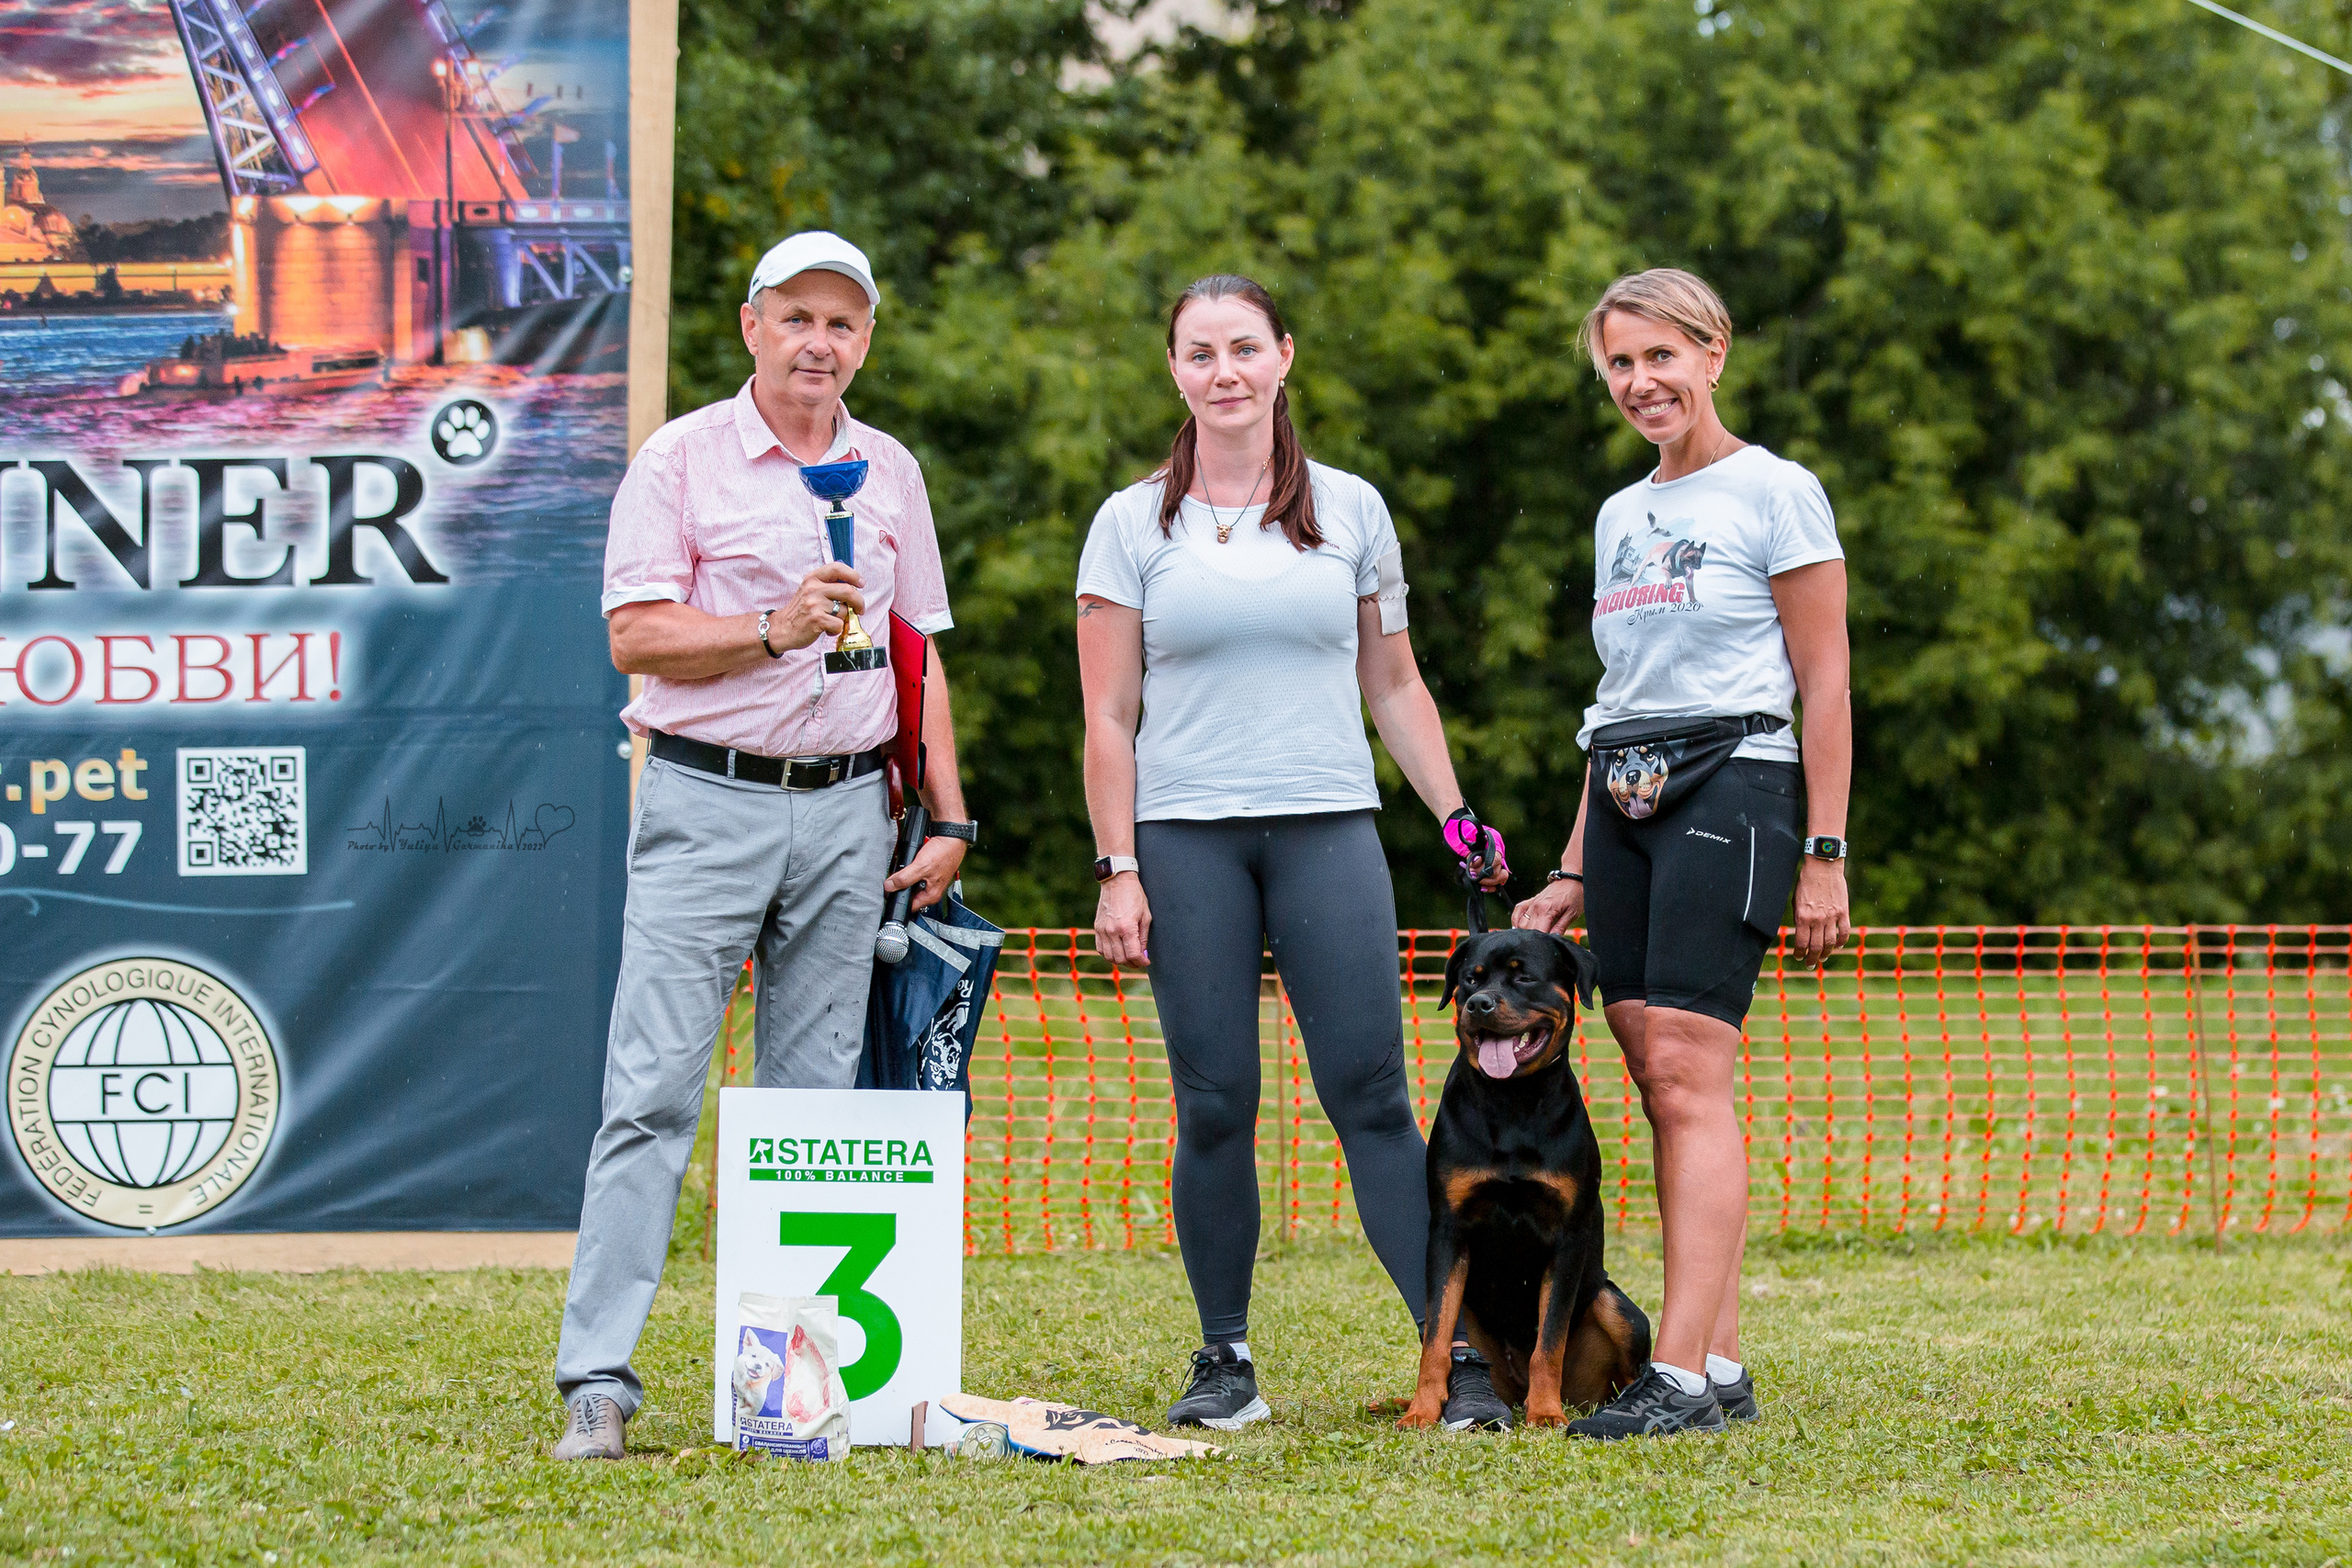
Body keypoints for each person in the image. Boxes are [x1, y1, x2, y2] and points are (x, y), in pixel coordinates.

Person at [551, 231, 978, 1460]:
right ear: (752, 327)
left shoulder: (890, 470)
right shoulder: (679, 458)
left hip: (852, 814)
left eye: (842, 324)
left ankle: (785, 1387)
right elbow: (634, 636)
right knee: (651, 1096)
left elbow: (915, 647)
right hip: (707, 801)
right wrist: (771, 628)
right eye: (797, 317)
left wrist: (948, 813)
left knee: (815, 1108)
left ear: (867, 342)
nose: (818, 343)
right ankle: (599, 1378)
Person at [1077, 274, 1507, 1431]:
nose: (1224, 371)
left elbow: (1393, 682)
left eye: (1244, 348)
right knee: (1215, 1102)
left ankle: (1460, 1358)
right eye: (1200, 352)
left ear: (1283, 358)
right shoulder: (1130, 523)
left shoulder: (1353, 509)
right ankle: (1224, 1361)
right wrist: (1118, 867)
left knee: (1372, 1097)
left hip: (1328, 829)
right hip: (1185, 842)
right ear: (1175, 372)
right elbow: (1107, 715)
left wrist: (1454, 813)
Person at [1514, 267, 1853, 1438]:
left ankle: (1680, 1378)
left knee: (1686, 1073)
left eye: (1661, 355)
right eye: (1619, 362)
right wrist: (1571, 862)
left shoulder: (1777, 491)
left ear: (1714, 353)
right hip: (1622, 794)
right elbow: (1614, 700)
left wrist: (1824, 849)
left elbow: (1825, 682)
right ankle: (1718, 1360)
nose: (1639, 381)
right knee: (1655, 1074)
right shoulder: (1619, 514)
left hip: (1737, 780)